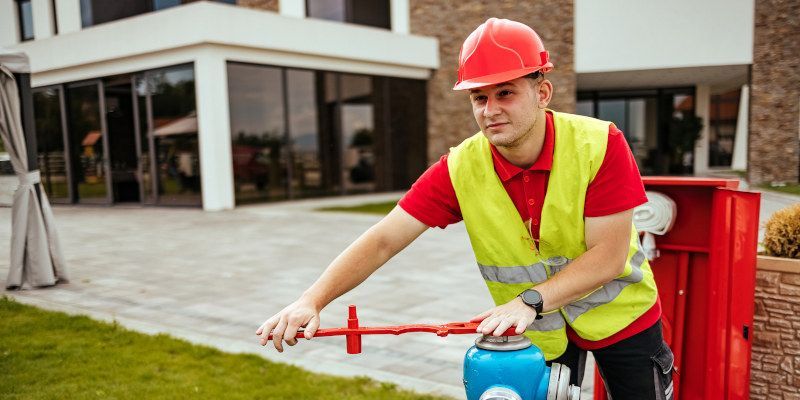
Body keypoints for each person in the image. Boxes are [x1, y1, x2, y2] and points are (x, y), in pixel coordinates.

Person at [257, 17, 674, 400]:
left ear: (542, 92)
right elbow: (384, 238)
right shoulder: (459, 169)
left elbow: (607, 256)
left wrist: (528, 301)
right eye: (479, 97)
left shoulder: (600, 144)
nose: (490, 110)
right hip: (537, 334)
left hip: (621, 320)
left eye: (505, 93)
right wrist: (311, 301)